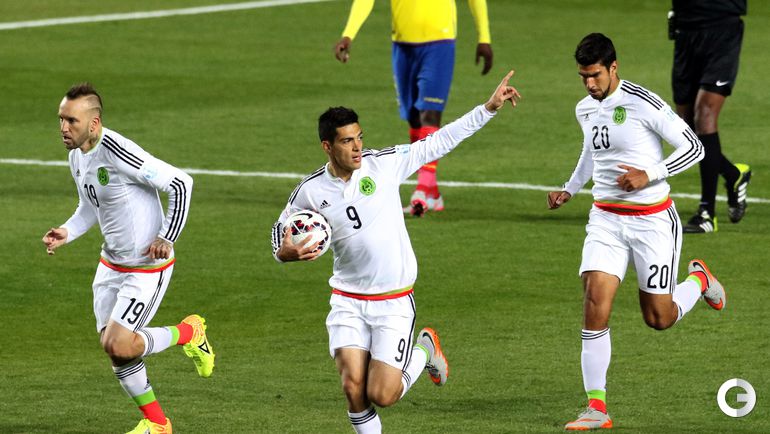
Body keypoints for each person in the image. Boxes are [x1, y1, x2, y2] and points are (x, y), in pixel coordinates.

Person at [271, 71, 519, 433]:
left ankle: (425, 350)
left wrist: (488, 108)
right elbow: (280, 232)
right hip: (348, 300)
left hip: (393, 300)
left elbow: (438, 142)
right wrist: (284, 253)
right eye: (347, 141)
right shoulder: (310, 191)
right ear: (327, 146)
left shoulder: (383, 164)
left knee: (382, 394)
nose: (357, 147)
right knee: (353, 389)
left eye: (359, 137)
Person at [547, 34, 727, 431]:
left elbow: (694, 147)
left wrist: (649, 174)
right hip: (605, 220)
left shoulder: (643, 103)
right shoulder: (585, 108)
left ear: (613, 68)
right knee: (595, 300)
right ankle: (596, 407)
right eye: (583, 77)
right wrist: (570, 188)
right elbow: (591, 152)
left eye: (595, 75)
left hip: (652, 221)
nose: (589, 84)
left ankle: (698, 281)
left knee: (659, 318)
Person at [42, 83, 215, 434]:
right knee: (115, 349)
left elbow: (181, 183)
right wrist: (66, 232)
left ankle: (189, 332)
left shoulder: (119, 152)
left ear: (94, 123)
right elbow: (89, 205)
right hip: (111, 264)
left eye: (71, 121)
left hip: (147, 268)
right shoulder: (77, 155)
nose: (63, 128)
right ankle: (158, 424)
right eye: (61, 119)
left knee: (119, 343)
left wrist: (167, 236)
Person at [333, 0, 494, 217]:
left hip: (439, 43)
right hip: (402, 47)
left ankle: (422, 188)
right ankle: (433, 194)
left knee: (429, 114)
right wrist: (348, 34)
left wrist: (484, 37)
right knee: (414, 118)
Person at [669, 0, 751, 233]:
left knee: (705, 114)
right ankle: (733, 174)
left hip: (721, 28)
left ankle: (707, 213)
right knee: (685, 131)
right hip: (685, 31)